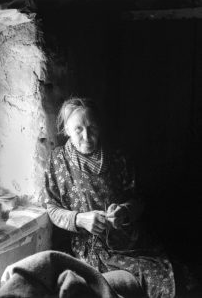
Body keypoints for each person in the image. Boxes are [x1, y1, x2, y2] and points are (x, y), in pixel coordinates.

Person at [44, 97, 175, 298]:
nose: (87, 136)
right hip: (91, 248)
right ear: (67, 130)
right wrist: (79, 219)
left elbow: (138, 200)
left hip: (129, 242)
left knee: (170, 278)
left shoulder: (117, 157)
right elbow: (52, 208)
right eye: (78, 129)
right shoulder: (58, 161)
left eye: (92, 127)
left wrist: (124, 211)